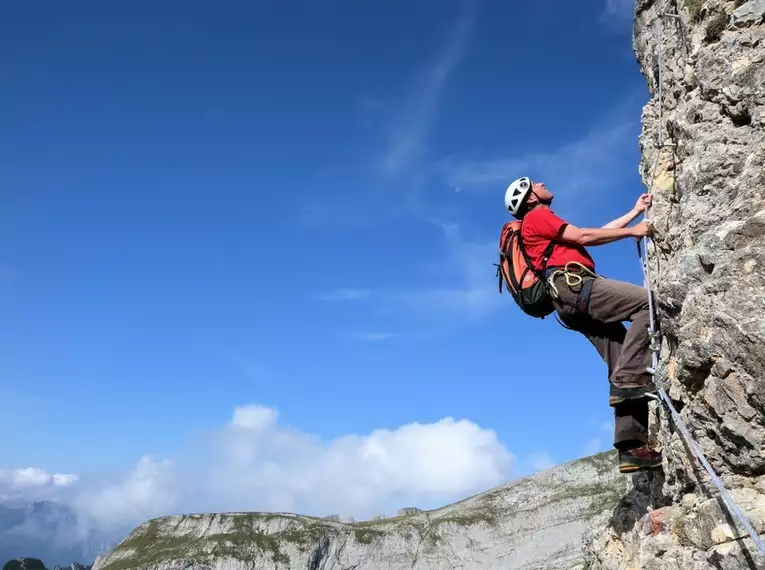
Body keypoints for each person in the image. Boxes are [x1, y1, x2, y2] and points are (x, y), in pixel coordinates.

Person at [503, 176, 662, 473]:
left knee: (621, 360)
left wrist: (633, 213)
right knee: (647, 303)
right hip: (575, 286)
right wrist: (634, 231)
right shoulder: (538, 216)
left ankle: (631, 448)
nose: (541, 182)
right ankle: (629, 382)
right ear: (530, 198)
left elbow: (595, 233)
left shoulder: (537, 227)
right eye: (533, 183)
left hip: (568, 302)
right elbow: (583, 236)